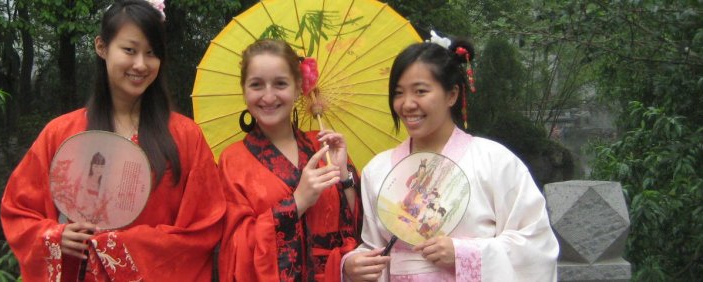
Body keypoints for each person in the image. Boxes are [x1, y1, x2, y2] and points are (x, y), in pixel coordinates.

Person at [0, 1, 225, 281]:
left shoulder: (186, 136)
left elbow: (204, 226)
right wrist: (57, 236)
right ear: (101, 47)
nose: (141, 64)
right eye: (129, 50)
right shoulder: (61, 132)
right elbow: (18, 211)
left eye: (152, 53)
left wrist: (120, 247)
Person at [341, 34, 559, 281]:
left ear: (452, 95)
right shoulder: (377, 170)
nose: (407, 104)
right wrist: (352, 266)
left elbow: (537, 246)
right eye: (399, 93)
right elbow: (374, 248)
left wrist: (464, 254)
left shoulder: (494, 162)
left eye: (420, 91)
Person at [217, 39, 362, 281]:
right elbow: (235, 248)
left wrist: (343, 175)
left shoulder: (323, 144)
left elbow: (356, 225)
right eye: (256, 85)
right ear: (244, 91)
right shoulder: (233, 160)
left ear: (297, 89)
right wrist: (297, 202)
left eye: (280, 84)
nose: (269, 96)